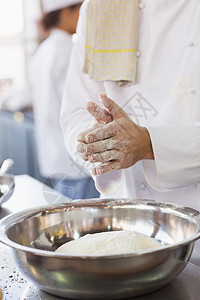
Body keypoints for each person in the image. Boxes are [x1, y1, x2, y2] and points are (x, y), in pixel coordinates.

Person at [60, 0, 200, 211]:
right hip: (125, 208)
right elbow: (76, 111)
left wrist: (149, 144)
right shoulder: (99, 6)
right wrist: (98, 140)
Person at [32, 0, 100, 200]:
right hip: (76, 159)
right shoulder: (68, 51)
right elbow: (83, 104)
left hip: (54, 158)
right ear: (67, 12)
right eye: (80, 10)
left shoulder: (43, 50)